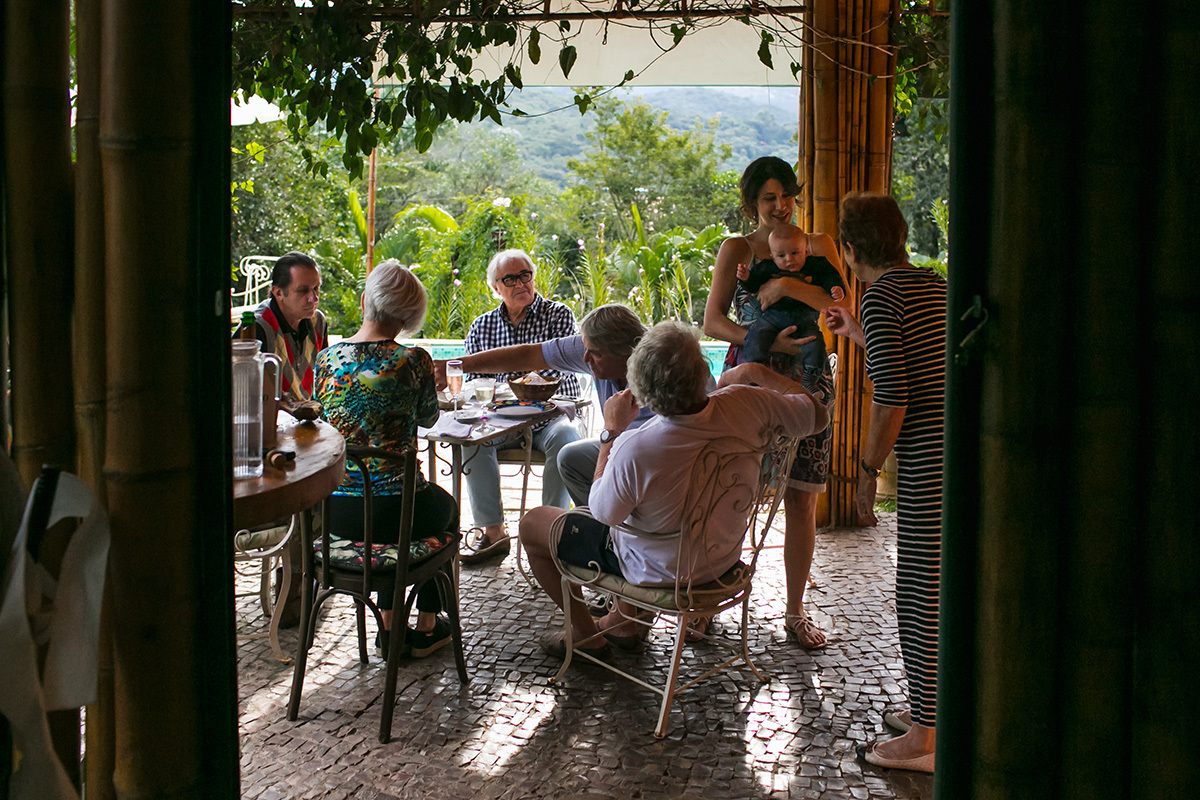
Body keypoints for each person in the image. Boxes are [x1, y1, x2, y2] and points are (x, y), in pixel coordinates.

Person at [518, 321, 830, 656]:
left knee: (534, 524)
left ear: (642, 388)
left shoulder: (636, 446)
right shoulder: (750, 404)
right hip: (723, 562)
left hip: (658, 573)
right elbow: (817, 416)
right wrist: (756, 372)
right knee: (642, 518)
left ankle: (585, 635)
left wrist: (610, 434)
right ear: (702, 370)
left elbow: (603, 514)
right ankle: (623, 620)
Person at [702, 156, 848, 649]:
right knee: (731, 490)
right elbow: (713, 322)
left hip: (808, 385)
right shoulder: (737, 249)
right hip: (749, 380)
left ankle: (794, 610)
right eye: (769, 198)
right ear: (751, 204)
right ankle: (708, 599)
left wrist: (787, 285)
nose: (781, 205)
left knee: (803, 496)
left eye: (786, 195)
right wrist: (767, 342)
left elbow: (841, 307)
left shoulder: (820, 246)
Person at [824, 194, 946, 773]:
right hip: (956, 460)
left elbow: (893, 397)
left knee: (918, 594)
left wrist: (866, 471)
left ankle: (926, 739)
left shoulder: (880, 297)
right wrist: (855, 328)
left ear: (849, 250)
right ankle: (935, 713)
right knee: (938, 588)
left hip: (927, 463)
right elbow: (915, 361)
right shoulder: (933, 286)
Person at [314, 260, 459, 658]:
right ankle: (428, 627)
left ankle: (390, 629)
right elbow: (430, 417)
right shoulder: (413, 361)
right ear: (409, 317)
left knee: (386, 512)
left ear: (365, 302)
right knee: (445, 510)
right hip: (398, 512)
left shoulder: (326, 361)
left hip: (337, 515)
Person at [434, 304, 652, 562]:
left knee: (568, 440)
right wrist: (455, 365)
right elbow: (527, 355)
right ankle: (599, 537)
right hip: (621, 448)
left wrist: (611, 434)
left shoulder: (656, 368)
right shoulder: (597, 346)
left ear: (625, 354)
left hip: (656, 457)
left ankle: (631, 543)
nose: (584, 359)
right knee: (572, 457)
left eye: (594, 354)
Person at [457, 250, 584, 565]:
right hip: (500, 420)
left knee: (568, 439)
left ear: (533, 276)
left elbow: (554, 375)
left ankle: (550, 534)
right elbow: (473, 385)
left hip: (550, 418)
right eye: (509, 279)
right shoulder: (482, 326)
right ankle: (494, 532)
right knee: (468, 438)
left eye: (524, 274)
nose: (520, 283)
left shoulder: (558, 315)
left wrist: (503, 382)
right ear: (496, 287)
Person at [737, 223, 846, 377]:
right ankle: (753, 369)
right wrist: (746, 278)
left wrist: (836, 288)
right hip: (774, 315)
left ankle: (812, 377)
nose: (789, 259)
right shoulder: (767, 267)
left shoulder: (815, 264)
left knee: (816, 343)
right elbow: (754, 284)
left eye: (795, 253)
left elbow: (830, 277)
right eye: (781, 256)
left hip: (805, 317)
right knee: (757, 334)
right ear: (772, 256)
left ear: (806, 251)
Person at [235, 251, 328, 400]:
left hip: (306, 416)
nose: (313, 298)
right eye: (303, 291)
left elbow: (324, 379)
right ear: (278, 293)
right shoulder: (257, 328)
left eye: (316, 288)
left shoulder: (318, 322)